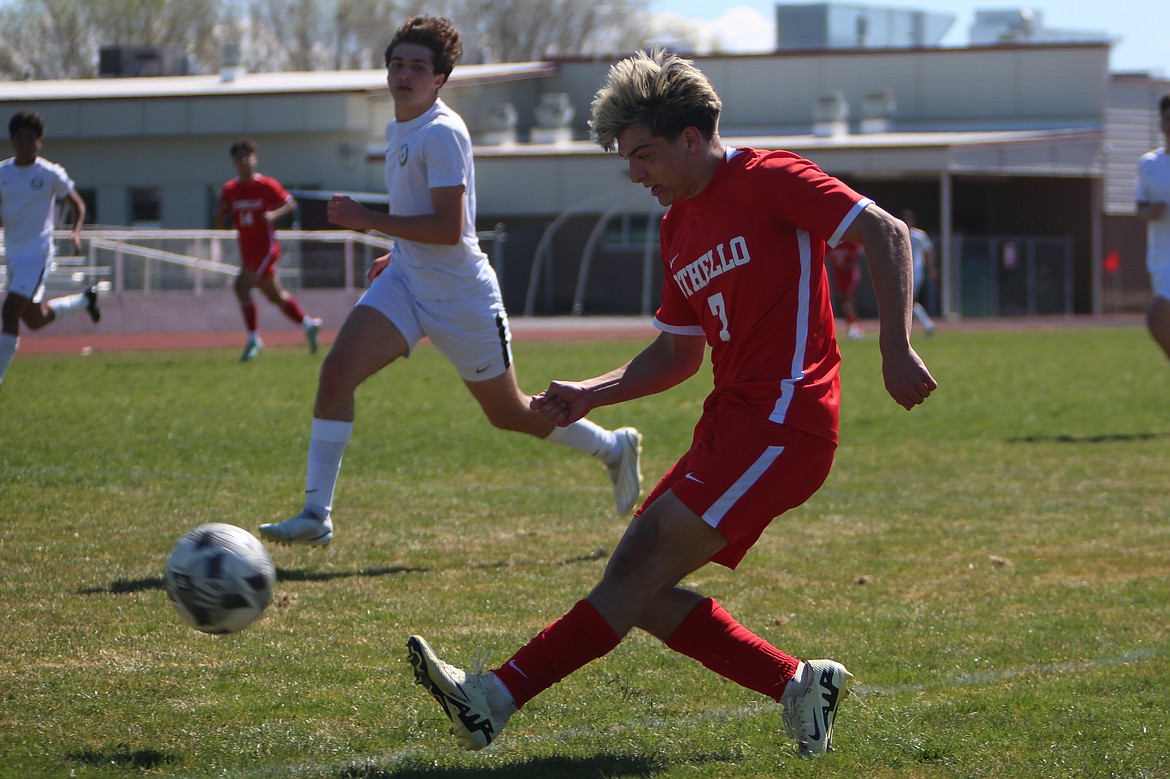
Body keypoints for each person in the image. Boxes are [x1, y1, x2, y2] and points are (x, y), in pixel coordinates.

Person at [406, 48, 936, 758]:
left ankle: (492, 699)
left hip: (787, 421)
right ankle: (799, 683)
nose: (636, 174)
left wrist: (895, 346)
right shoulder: (675, 224)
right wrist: (590, 391)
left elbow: (885, 230)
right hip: (732, 423)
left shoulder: (770, 177)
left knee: (634, 570)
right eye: (628, 159)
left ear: (692, 138)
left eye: (644, 155)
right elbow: (677, 352)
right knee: (641, 587)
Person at [258, 16, 642, 548]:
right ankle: (315, 514)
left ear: (440, 78)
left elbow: (446, 227)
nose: (405, 74)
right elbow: (420, 218)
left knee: (508, 413)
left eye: (418, 66)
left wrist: (366, 218)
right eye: (397, 64)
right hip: (408, 284)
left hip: (462, 298)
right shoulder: (398, 129)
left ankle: (612, 448)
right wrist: (396, 254)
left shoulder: (441, 131)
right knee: (336, 374)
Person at [0, 110, 99, 391]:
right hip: (13, 253)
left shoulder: (49, 173)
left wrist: (75, 230)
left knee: (9, 311)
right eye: (20, 138)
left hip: (38, 253)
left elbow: (78, 204)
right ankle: (85, 301)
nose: (25, 144)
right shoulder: (2, 173)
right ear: (12, 140)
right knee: (34, 319)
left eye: (30, 138)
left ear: (39, 141)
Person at [214, 139, 321, 362]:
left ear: (255, 158)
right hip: (247, 250)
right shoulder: (230, 190)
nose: (244, 160)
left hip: (265, 249)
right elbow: (219, 218)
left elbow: (290, 203)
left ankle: (254, 338)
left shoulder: (266, 185)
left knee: (241, 286)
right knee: (275, 296)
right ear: (234, 162)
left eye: (248, 156)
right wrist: (219, 216)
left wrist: (273, 216)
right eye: (240, 157)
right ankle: (308, 324)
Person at [1135, 92, 1170, 361]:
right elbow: (1140, 206)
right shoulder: (1149, 164)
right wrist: (1150, 212)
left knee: (1158, 317)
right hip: (1161, 256)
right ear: (1161, 123)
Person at [902, 209, 937, 335]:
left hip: (916, 271)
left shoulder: (919, 236)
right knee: (907, 300)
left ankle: (927, 324)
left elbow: (929, 252)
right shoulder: (899, 233)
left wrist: (932, 269)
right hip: (903, 270)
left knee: (910, 299)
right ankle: (926, 325)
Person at [827, 240, 864, 339]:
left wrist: (847, 265)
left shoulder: (849, 243)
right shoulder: (831, 244)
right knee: (844, 303)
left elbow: (856, 256)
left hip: (850, 276)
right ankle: (853, 325)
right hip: (839, 277)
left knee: (847, 301)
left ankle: (855, 326)